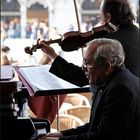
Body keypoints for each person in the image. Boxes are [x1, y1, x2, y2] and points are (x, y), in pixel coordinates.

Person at [36, 38, 140, 140]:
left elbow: (103, 136)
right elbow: (95, 125)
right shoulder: (113, 81)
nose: (83, 68)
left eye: (87, 63)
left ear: (107, 67)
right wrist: (62, 134)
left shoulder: (119, 89)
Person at [38, 0, 139, 88]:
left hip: (116, 98)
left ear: (108, 17)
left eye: (101, 17)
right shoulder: (137, 33)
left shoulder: (110, 42)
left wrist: (52, 55)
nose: (101, 22)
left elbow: (81, 77)